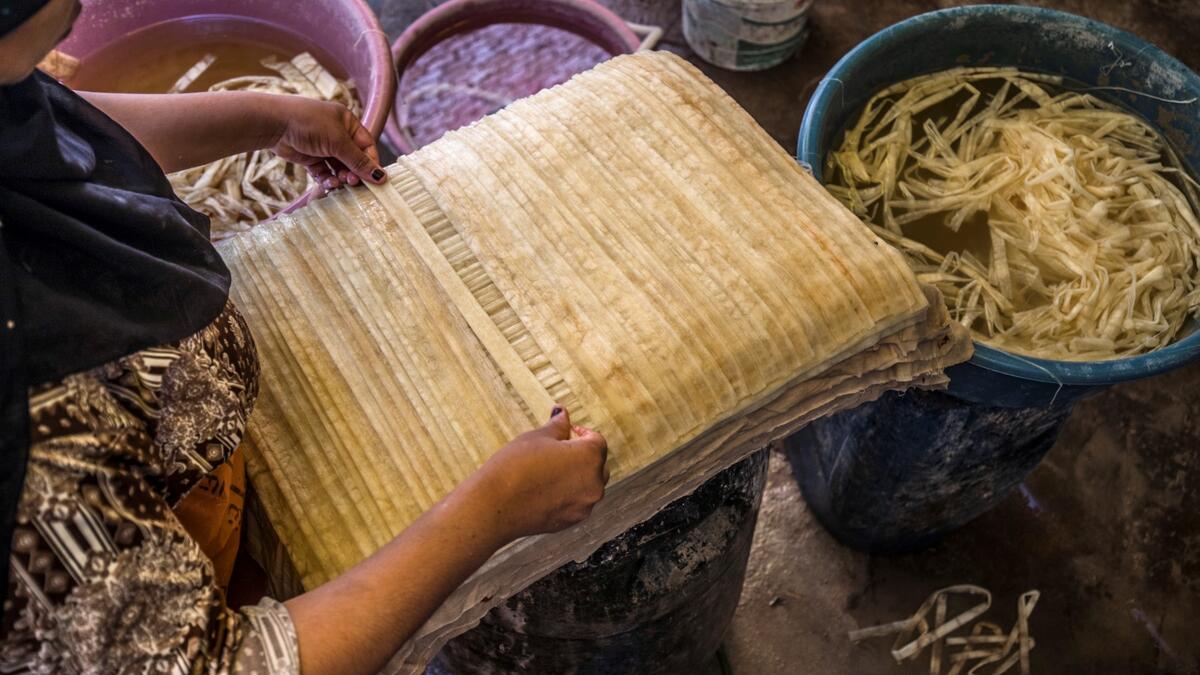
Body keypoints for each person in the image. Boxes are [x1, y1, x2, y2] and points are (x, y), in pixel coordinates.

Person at [0, 1, 610, 673]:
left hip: (195, 471)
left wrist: (263, 118)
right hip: (170, 544)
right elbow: (221, 663)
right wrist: (494, 509)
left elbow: (58, 125)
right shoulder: (41, 467)